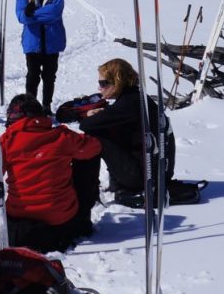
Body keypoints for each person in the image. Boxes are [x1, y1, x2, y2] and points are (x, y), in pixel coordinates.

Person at [0, 94, 101, 252]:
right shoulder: (63, 137)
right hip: (62, 219)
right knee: (85, 157)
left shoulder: (7, 141)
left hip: (20, 222)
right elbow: (94, 147)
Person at [56, 58, 175, 198]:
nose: (99, 88)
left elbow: (86, 125)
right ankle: (112, 182)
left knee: (94, 136)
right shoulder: (136, 98)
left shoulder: (127, 104)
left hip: (145, 177)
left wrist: (90, 116)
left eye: (103, 83)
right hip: (159, 172)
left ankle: (87, 190)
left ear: (117, 82)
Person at [15, 0, 66, 106]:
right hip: (33, 43)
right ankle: (30, 107)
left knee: (49, 77)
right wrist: (29, 15)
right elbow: (21, 17)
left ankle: (46, 106)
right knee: (32, 76)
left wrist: (33, 14)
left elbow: (54, 13)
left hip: (52, 42)